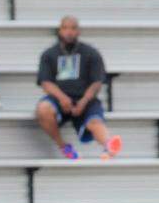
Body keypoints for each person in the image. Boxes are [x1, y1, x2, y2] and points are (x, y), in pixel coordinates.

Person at [36, 16, 122, 161]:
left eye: (73, 28)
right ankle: (64, 147)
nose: (69, 32)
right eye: (65, 28)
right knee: (43, 109)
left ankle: (109, 146)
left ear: (78, 31)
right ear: (60, 30)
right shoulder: (49, 54)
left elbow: (97, 82)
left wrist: (83, 102)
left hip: (85, 98)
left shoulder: (90, 53)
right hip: (59, 99)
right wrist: (62, 98)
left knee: (94, 122)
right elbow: (45, 82)